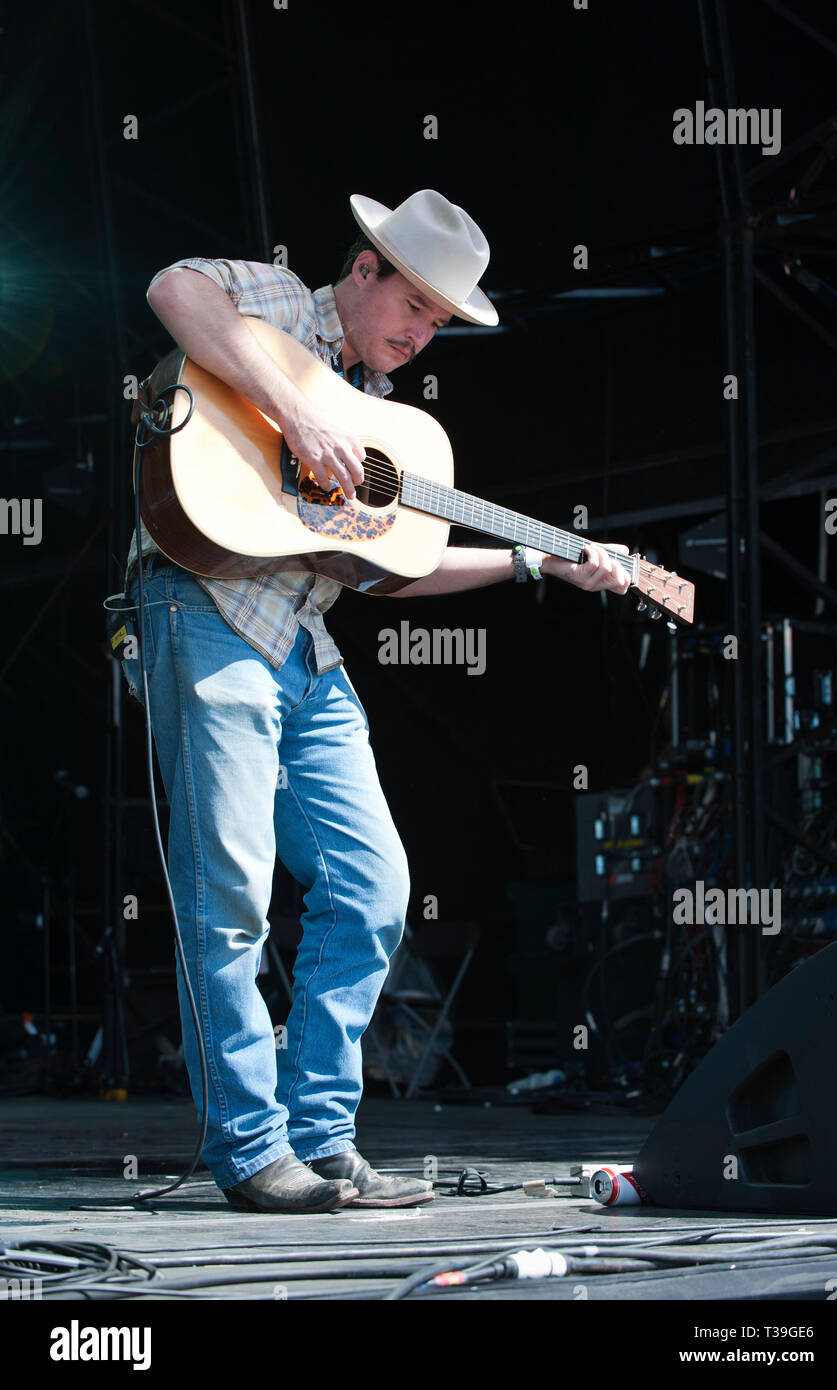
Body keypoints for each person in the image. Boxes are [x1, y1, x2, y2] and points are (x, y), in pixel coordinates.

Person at [121, 190, 631, 1214]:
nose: (422, 332)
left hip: (302, 640)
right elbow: (173, 288)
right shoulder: (279, 307)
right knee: (227, 893)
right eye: (415, 306)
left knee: (372, 884)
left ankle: (321, 1135)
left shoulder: (384, 415)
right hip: (206, 608)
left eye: (441, 322)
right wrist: (301, 413)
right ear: (363, 272)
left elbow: (394, 567)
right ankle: (250, 1148)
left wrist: (536, 560)